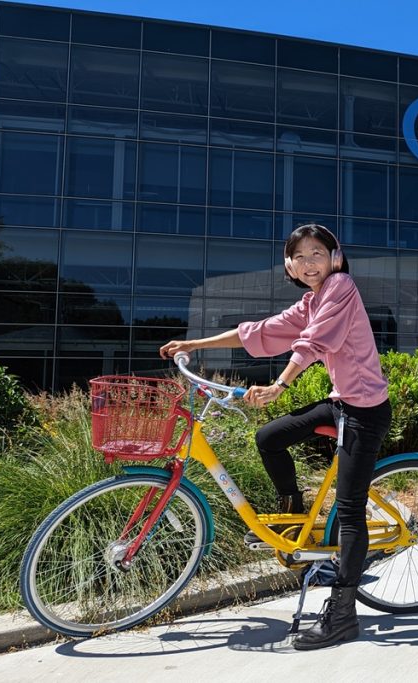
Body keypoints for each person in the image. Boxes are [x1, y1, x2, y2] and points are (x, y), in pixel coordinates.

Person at [159, 224, 392, 650]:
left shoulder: (341, 286)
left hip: (366, 410)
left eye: (317, 253)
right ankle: (296, 522)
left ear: (335, 258)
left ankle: (343, 614)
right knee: (269, 437)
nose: (309, 263)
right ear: (289, 265)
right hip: (340, 400)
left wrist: (280, 385)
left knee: (351, 508)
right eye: (299, 256)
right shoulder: (310, 301)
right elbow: (260, 332)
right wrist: (194, 342)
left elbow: (314, 343)